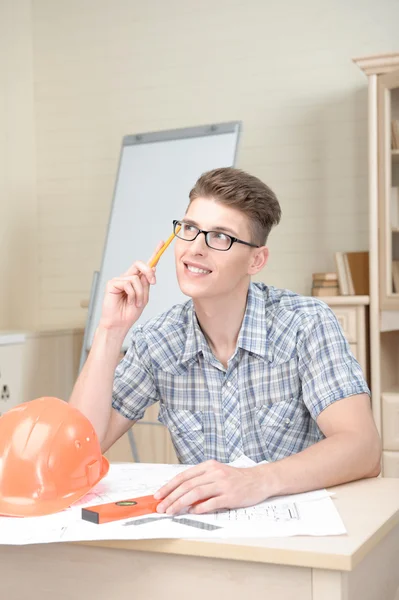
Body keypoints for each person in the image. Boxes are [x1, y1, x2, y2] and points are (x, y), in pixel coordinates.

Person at [69, 167, 381, 516]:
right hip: (208, 540)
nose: (196, 249)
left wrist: (257, 480)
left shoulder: (305, 324)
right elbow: (79, 453)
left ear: (256, 259)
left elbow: (363, 448)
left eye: (220, 237)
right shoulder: (157, 341)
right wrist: (110, 331)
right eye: (189, 229)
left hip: (301, 538)